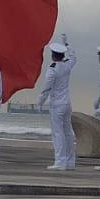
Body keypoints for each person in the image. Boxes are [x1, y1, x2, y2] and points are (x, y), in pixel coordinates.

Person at [36, 34, 76, 170]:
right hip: (67, 103)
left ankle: (60, 162)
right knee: (68, 133)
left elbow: (47, 88)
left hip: (57, 105)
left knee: (58, 133)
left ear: (53, 55)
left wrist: (40, 102)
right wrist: (67, 44)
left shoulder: (52, 69)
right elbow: (74, 58)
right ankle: (70, 161)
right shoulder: (67, 65)